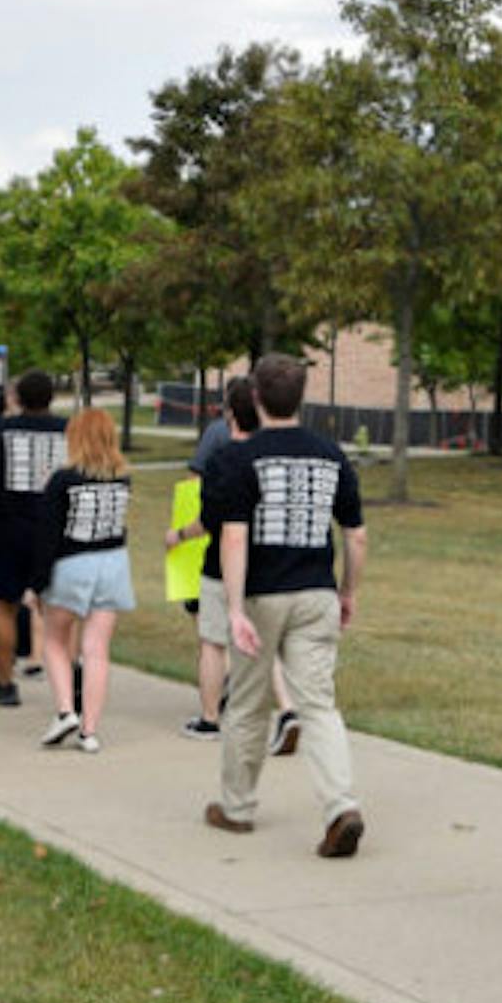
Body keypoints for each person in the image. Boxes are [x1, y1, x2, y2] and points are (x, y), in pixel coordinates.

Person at [206, 353, 367, 856]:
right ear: (302, 398)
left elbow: (234, 538)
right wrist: (347, 592)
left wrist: (233, 610)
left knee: (249, 706)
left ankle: (236, 808)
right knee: (318, 705)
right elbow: (355, 536)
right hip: (316, 591)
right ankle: (340, 805)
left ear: (255, 398)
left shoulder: (241, 458)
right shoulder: (331, 455)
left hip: (262, 596)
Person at [175, 374, 299, 752]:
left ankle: (210, 718)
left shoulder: (225, 459)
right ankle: (289, 708)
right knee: (264, 644)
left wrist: (178, 535)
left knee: (213, 642)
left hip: (222, 566)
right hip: (268, 563)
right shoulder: (274, 457)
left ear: (231, 415)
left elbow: (211, 520)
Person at [34, 406, 135, 752]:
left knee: (54, 640)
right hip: (113, 563)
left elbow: (46, 535)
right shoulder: (123, 477)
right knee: (97, 649)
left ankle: (65, 710)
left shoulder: (63, 479)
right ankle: (89, 730)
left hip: (72, 563)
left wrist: (37, 583)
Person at [0, 368, 68, 707]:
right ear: (51, 398)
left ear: (17, 398)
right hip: (57, 532)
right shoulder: (67, 431)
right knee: (60, 608)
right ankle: (68, 686)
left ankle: (4, 683)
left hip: (8, 528)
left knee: (3, 606)